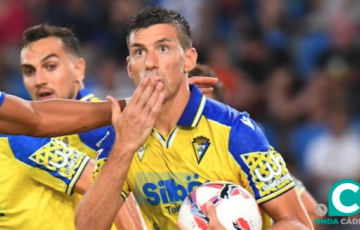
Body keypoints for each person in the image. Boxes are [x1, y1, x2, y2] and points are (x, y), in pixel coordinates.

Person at [75, 6, 313, 230]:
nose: (150, 63)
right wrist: (124, 148)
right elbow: (88, 225)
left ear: (189, 59)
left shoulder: (235, 131)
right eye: (139, 52)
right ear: (129, 67)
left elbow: (299, 223)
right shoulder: (121, 136)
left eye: (163, 48)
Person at [189, 63, 320, 226]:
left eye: (206, 107)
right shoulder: (157, 150)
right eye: (191, 107)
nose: (198, 115)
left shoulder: (243, 153)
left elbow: (312, 212)